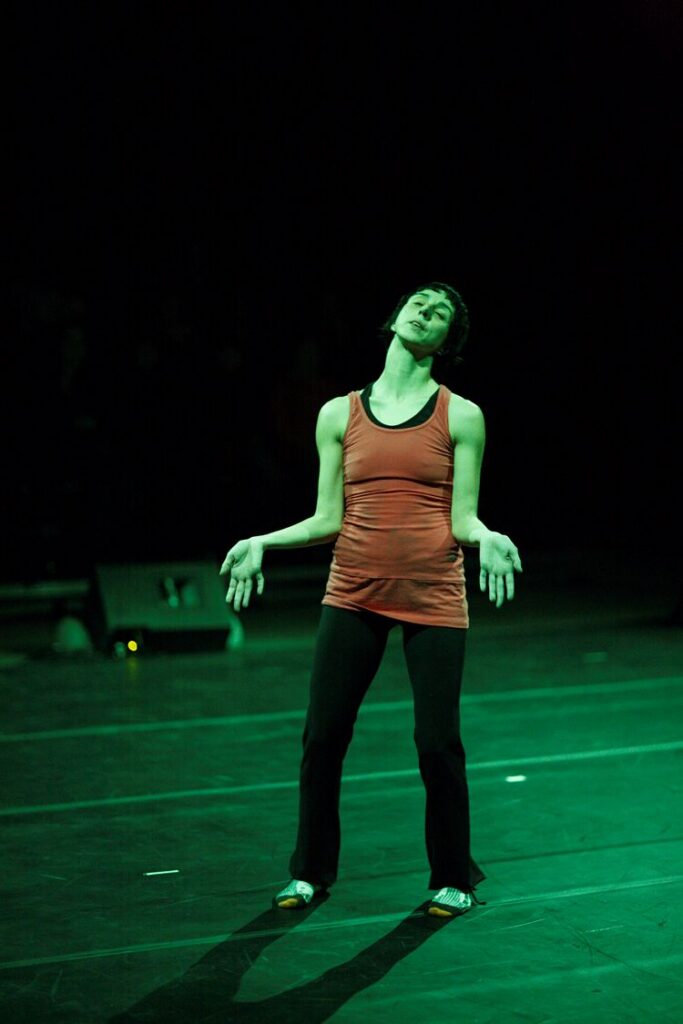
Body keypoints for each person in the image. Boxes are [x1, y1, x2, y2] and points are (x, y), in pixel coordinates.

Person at [220, 281, 522, 918]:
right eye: (420, 303)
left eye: (440, 314)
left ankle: (453, 876)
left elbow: (463, 518)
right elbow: (326, 518)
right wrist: (260, 541)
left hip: (433, 594)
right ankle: (309, 871)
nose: (426, 312)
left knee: (437, 742)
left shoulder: (462, 415)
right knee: (323, 736)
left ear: (447, 341)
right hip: (353, 591)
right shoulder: (338, 413)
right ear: (396, 315)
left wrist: (490, 538)